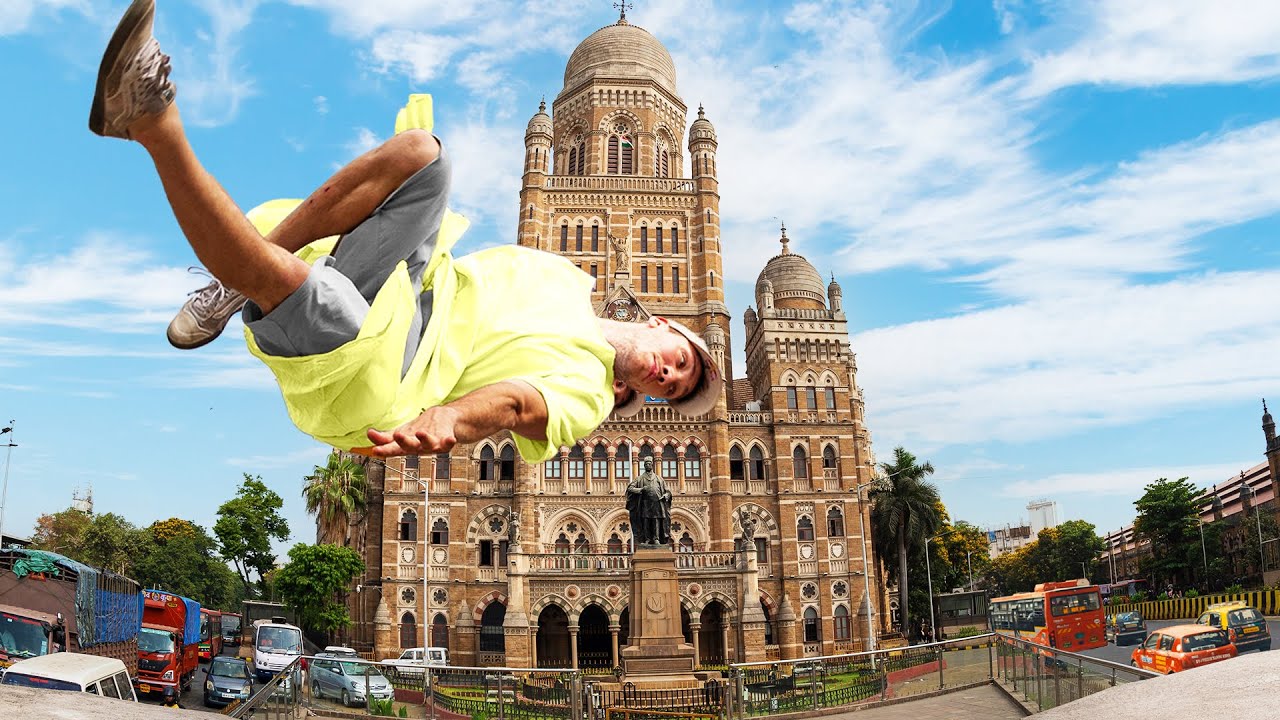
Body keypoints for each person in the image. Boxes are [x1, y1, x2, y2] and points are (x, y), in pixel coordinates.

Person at [88, 0, 720, 461]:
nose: (669, 377)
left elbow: (516, 404)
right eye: (683, 363)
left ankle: (150, 120)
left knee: (319, 296)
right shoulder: (564, 277)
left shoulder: (587, 395)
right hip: (416, 288)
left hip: (393, 377)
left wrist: (451, 418)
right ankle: (227, 291)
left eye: (672, 390)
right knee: (424, 154)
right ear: (666, 328)